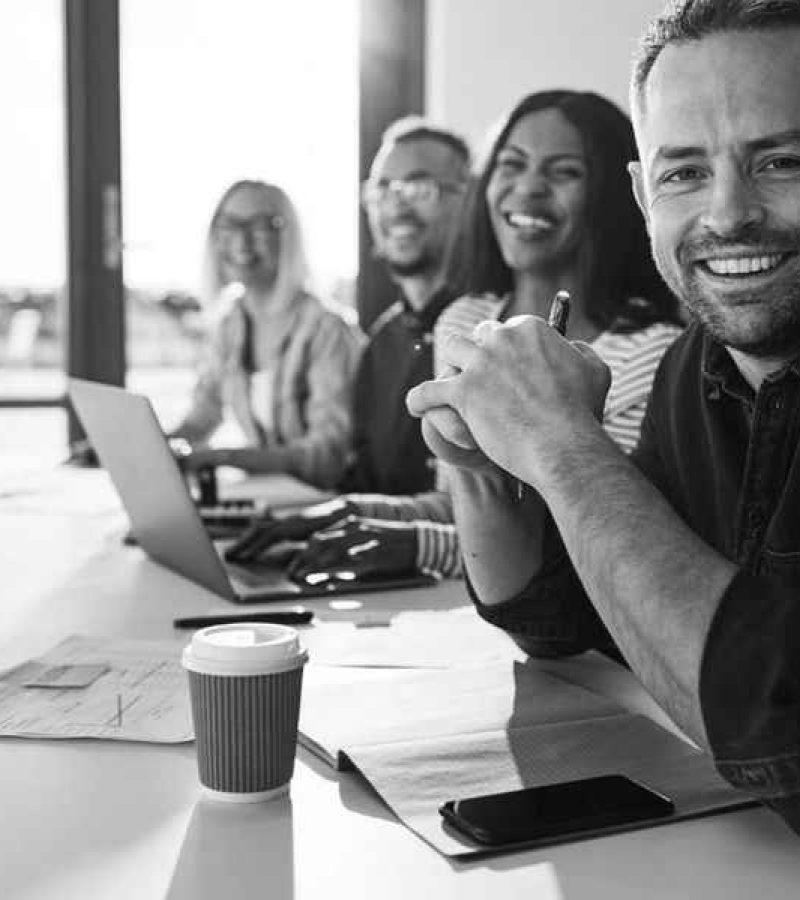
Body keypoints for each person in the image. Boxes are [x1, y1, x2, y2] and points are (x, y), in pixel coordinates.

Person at [407, 0, 800, 834]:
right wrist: (487, 470)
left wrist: (561, 445)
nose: (727, 214)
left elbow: (778, 721)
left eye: (783, 161)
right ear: (642, 192)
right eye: (684, 172)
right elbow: (589, 625)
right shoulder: (695, 366)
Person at [231, 91, 683, 583]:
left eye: (564, 172)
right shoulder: (464, 320)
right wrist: (340, 513)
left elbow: (599, 540)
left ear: (613, 196)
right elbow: (458, 503)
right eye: (512, 164)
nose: (528, 188)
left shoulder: (649, 353)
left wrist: (415, 545)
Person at [225, 119, 471, 566]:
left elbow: (482, 513)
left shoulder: (485, 330)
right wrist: (302, 523)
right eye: (383, 190)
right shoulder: (386, 339)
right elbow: (360, 477)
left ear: (470, 201)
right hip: (382, 573)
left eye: (419, 189)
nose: (396, 206)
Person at [170, 179, 362, 489]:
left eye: (259, 226)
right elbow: (202, 415)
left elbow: (326, 459)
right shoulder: (229, 324)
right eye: (229, 225)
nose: (241, 241)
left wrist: (223, 459)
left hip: (329, 505)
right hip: (273, 500)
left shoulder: (327, 330)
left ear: (288, 237)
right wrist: (153, 446)